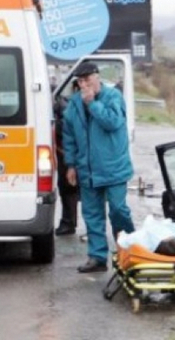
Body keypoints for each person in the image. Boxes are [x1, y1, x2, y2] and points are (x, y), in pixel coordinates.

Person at [62, 62, 135, 273]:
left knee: (118, 210)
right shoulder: (74, 105)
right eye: (81, 81)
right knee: (92, 215)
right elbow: (69, 138)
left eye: (88, 79)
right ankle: (97, 258)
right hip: (87, 170)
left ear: (97, 77)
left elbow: (113, 122)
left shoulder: (113, 97)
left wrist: (93, 104)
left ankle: (130, 252)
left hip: (113, 168)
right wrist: (71, 165)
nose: (84, 84)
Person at [54, 80, 81, 236]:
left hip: (69, 153)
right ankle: (68, 222)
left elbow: (65, 130)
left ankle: (68, 222)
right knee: (69, 189)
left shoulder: (69, 107)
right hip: (68, 153)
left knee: (69, 189)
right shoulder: (72, 105)